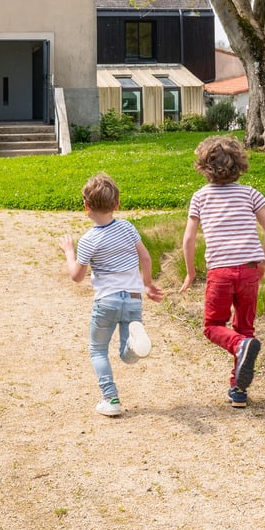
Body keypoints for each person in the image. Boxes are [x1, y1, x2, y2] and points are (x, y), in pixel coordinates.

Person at [178, 135, 265, 408]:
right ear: (239, 164)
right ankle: (238, 390)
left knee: (212, 327)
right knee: (245, 329)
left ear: (203, 166)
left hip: (220, 272)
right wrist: (264, 261)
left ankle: (240, 354)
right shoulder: (250, 193)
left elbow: (188, 239)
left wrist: (190, 273)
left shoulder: (200, 197)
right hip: (249, 270)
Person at [60, 172, 163, 417]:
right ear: (117, 204)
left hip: (107, 300)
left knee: (98, 350)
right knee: (127, 355)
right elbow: (145, 257)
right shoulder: (127, 228)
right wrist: (147, 284)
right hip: (134, 298)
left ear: (86, 207)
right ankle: (133, 345)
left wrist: (69, 252)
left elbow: (76, 276)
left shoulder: (88, 240)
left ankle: (111, 399)